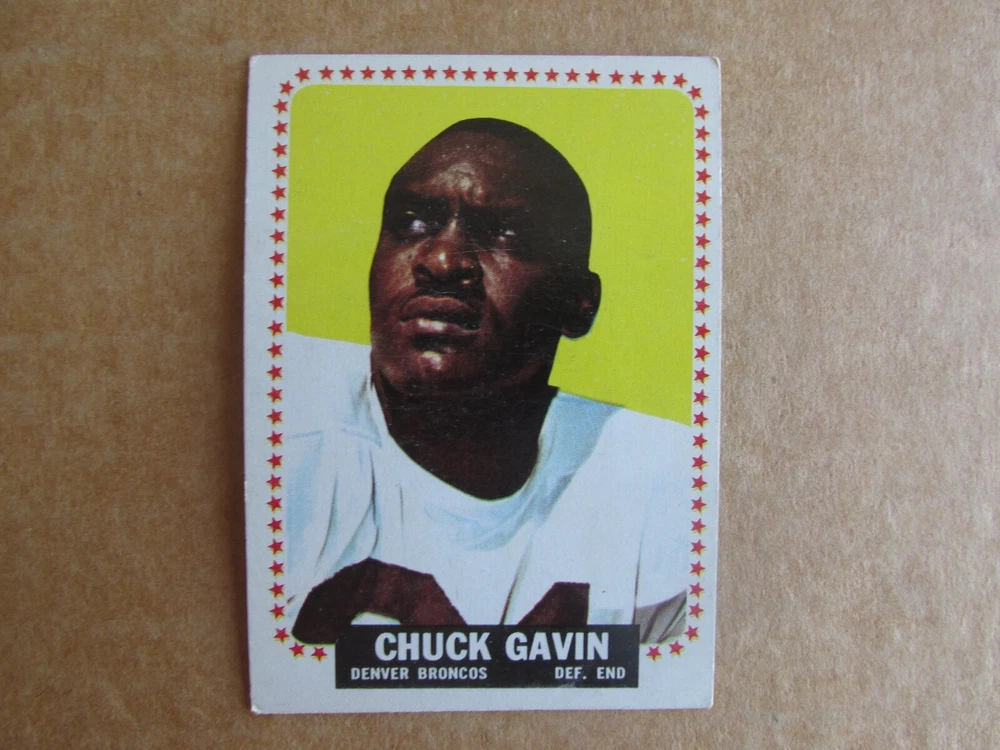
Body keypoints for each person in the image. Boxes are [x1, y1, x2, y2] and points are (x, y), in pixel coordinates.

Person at [283, 118, 690, 645]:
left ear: (579, 304)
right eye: (411, 223)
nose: (441, 260)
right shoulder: (279, 419)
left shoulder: (660, 484)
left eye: (506, 233)